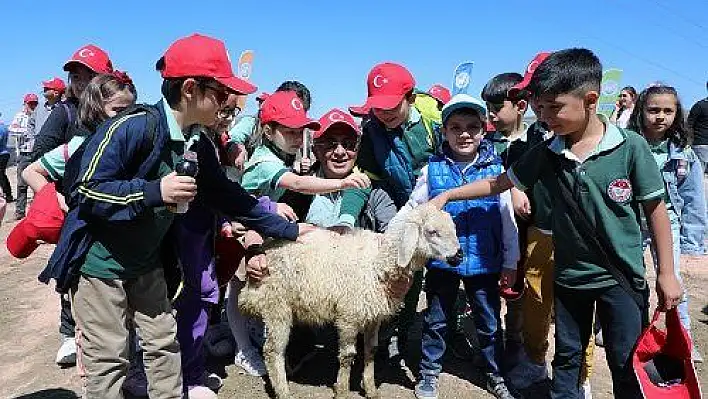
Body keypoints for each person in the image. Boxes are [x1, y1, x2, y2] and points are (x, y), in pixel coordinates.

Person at [428, 48, 683, 398]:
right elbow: (500, 183)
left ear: (590, 100)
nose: (545, 117)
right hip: (570, 278)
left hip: (620, 279)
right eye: (540, 108)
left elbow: (656, 211)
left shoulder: (630, 148)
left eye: (554, 107)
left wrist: (667, 273)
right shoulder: (548, 151)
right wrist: (448, 196)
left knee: (626, 363)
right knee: (567, 359)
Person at [407, 94, 518, 399]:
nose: (464, 133)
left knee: (489, 320)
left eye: (472, 126)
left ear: (484, 130)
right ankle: (429, 372)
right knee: (436, 320)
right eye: (455, 127)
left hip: (485, 261)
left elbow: (507, 218)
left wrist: (511, 260)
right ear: (444, 132)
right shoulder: (432, 171)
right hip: (443, 262)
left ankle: (495, 373)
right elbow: (414, 208)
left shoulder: (497, 171)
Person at [502, 53, 596, 397]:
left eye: (547, 102)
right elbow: (510, 179)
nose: (540, 111)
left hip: (583, 241)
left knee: (579, 313)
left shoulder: (591, 142)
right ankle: (535, 360)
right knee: (537, 303)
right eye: (535, 103)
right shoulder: (525, 145)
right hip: (541, 234)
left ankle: (581, 377)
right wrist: (514, 190)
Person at [338, 62, 444, 367]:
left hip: (442, 205)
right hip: (403, 206)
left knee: (444, 280)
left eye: (390, 106)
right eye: (377, 107)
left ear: (409, 97)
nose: (383, 113)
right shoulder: (372, 130)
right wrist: (346, 219)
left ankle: (440, 340)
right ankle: (398, 330)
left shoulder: (434, 119)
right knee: (406, 266)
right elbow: (366, 177)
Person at [30, 45, 114, 367]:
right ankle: (68, 331)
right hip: (74, 207)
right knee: (71, 265)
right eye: (74, 75)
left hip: (108, 206)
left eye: (86, 74)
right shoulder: (63, 113)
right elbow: (37, 159)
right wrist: (56, 197)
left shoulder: (115, 111)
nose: (78, 81)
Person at [627, 84, 706, 362]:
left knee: (672, 281)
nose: (660, 116)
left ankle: (681, 338)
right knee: (628, 278)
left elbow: (694, 199)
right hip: (632, 223)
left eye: (668, 111)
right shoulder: (626, 145)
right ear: (641, 111)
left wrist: (694, 243)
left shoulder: (684, 154)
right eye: (653, 110)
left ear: (677, 114)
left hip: (667, 224)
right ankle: (625, 331)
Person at [22, 73, 136, 205]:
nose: (125, 116)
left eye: (89, 76)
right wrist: (61, 203)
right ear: (96, 109)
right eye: (76, 77)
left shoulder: (137, 139)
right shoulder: (80, 143)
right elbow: (32, 169)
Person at [31, 44, 114, 161]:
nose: (81, 83)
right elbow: (38, 157)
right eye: (76, 77)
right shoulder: (64, 112)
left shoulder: (118, 110)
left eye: (90, 76)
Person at [10, 93, 39, 220]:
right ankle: (20, 212)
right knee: (22, 184)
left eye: (34, 103)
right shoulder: (20, 116)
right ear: (25, 104)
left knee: (38, 184)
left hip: (37, 153)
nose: (32, 105)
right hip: (24, 154)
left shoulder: (39, 115)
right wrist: (26, 131)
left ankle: (37, 212)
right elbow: (12, 129)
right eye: (30, 103)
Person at [0, 121, 12, 201]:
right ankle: (8, 194)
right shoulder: (4, 127)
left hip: (1, 154)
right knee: (2, 175)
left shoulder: (1, 128)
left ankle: (8, 195)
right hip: (5, 153)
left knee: (1, 175)